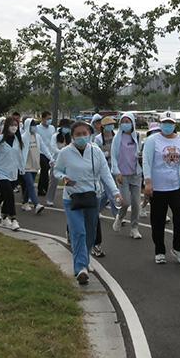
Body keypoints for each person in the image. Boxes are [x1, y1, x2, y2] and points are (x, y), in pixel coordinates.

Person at [54, 120, 122, 285]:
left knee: (90, 233)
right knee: (79, 232)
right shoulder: (65, 153)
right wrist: (64, 178)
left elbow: (105, 174)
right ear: (72, 136)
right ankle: (81, 269)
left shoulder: (96, 152)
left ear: (90, 134)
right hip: (72, 199)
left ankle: (86, 257)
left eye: (85, 134)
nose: (82, 137)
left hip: (93, 197)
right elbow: (56, 170)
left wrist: (115, 193)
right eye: (78, 134)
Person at [142, 115, 180, 265]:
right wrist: (148, 182)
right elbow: (146, 161)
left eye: (170, 123)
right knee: (158, 220)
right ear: (160, 124)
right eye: (165, 123)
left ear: (175, 125)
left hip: (176, 186)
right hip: (158, 188)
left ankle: (178, 247)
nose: (168, 126)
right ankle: (159, 250)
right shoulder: (152, 141)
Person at [111, 112, 143, 240]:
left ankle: (134, 228)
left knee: (136, 203)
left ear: (133, 123)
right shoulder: (117, 138)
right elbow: (113, 156)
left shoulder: (138, 137)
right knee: (125, 202)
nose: (125, 124)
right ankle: (120, 217)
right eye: (123, 121)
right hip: (122, 175)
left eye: (128, 121)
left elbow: (141, 153)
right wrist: (116, 172)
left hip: (135, 174)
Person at [90, 115, 117, 256]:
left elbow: (105, 172)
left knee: (109, 195)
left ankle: (96, 244)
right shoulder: (69, 152)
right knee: (79, 219)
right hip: (76, 193)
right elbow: (59, 170)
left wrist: (116, 192)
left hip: (108, 172)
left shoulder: (97, 148)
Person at [20, 117, 53, 214]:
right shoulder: (23, 137)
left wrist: (51, 158)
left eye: (35, 125)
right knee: (30, 184)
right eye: (32, 125)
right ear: (27, 126)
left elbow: (44, 148)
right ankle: (36, 204)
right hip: (25, 166)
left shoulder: (37, 137)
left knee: (28, 186)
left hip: (35, 165)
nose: (34, 127)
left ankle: (25, 203)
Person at [35, 111, 56, 196]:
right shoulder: (37, 128)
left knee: (46, 170)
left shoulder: (52, 128)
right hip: (40, 152)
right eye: (48, 118)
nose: (49, 120)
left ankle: (44, 188)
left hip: (50, 153)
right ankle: (42, 188)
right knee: (45, 168)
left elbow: (53, 139)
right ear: (43, 119)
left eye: (50, 118)